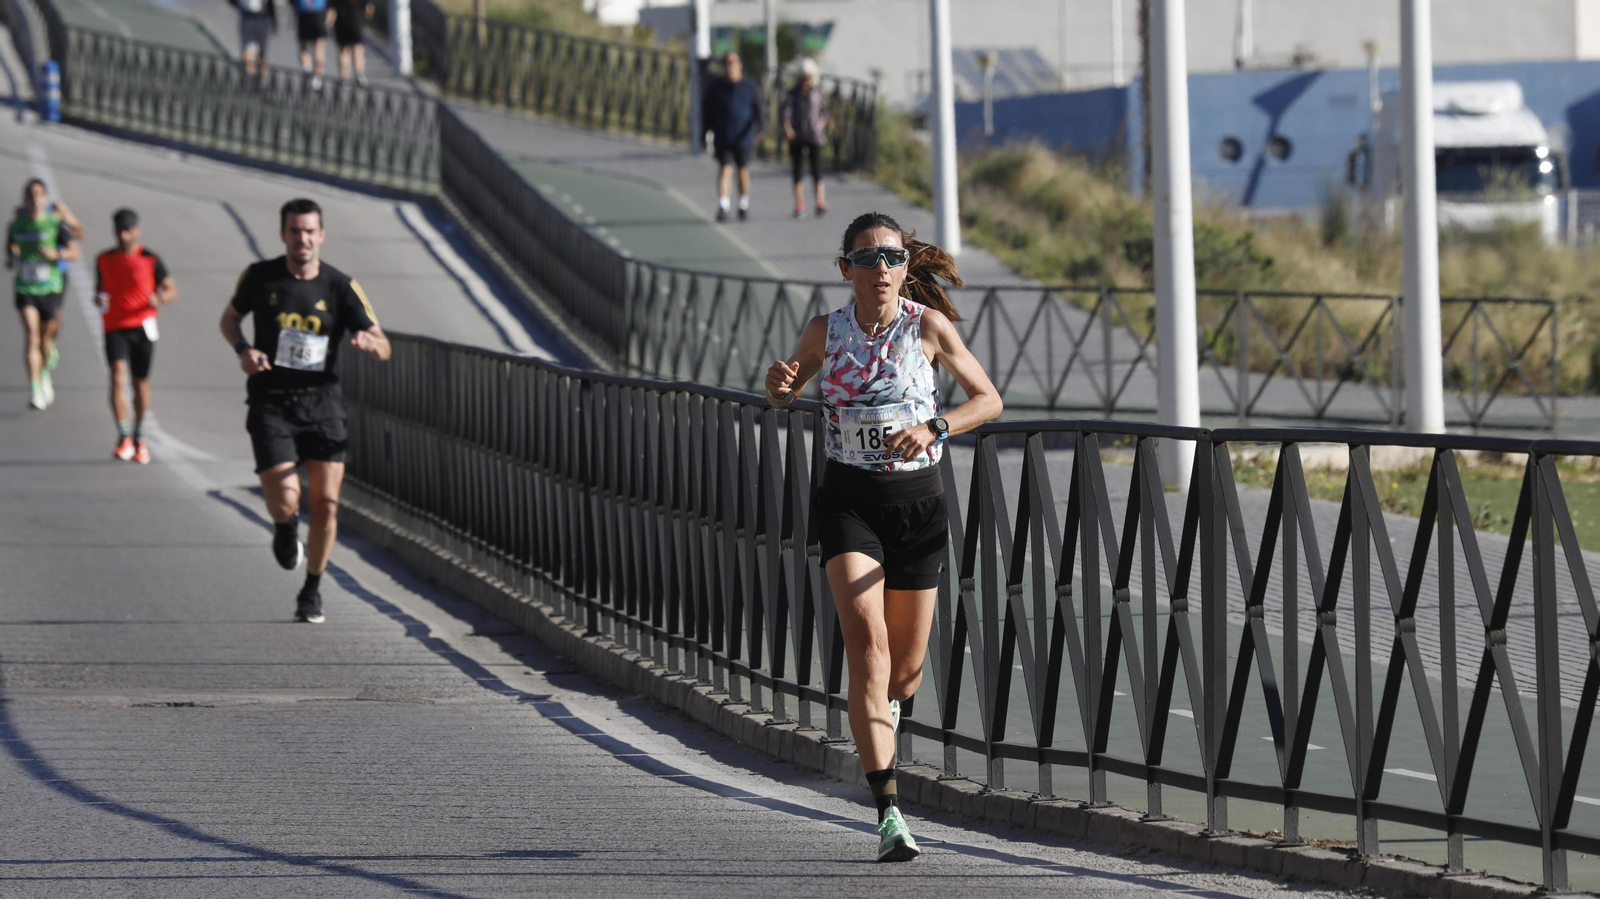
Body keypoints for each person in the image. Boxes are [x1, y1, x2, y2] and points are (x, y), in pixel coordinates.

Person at [764, 212, 1002, 861]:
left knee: (905, 668)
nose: (880, 271)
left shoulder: (928, 327)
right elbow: (791, 388)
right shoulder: (826, 330)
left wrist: (936, 427)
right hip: (849, 502)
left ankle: (887, 713)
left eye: (891, 258)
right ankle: (889, 811)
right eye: (866, 260)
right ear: (846, 269)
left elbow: (988, 399)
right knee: (866, 647)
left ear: (904, 267)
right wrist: (780, 388)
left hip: (917, 504)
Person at [219, 198, 391, 623]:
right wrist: (244, 350)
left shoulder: (340, 286)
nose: (303, 239)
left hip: (323, 403)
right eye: (295, 231)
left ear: (322, 234)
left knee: (328, 504)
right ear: (283, 234)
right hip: (271, 401)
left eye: (310, 231)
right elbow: (229, 320)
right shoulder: (260, 276)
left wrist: (372, 345)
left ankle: (312, 590)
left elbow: (384, 343)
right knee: (284, 496)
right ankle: (284, 527)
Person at [96, 208, 178, 464]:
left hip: (143, 327)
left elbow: (172, 289)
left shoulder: (151, 259)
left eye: (128, 230)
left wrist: (160, 297)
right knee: (117, 377)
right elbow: (99, 290)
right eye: (119, 230)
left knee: (140, 383)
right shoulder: (104, 259)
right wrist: (99, 299)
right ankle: (123, 437)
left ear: (136, 231)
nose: (123, 235)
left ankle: (139, 434)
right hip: (115, 326)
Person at [7, 179, 82, 411]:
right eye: (30, 195)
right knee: (32, 337)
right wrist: (12, 255)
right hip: (26, 288)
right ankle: (35, 387)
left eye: (39, 195)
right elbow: (10, 250)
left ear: (45, 199)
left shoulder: (54, 221)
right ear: (25, 199)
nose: (35, 200)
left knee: (46, 338)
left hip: (51, 286)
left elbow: (75, 247)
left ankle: (45, 365)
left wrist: (55, 254)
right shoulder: (16, 225)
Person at [704, 51, 763, 222]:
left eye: (733, 62)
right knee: (725, 169)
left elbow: (758, 109)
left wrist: (760, 128)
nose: (730, 66)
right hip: (723, 135)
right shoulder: (717, 88)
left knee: (742, 171)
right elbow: (707, 111)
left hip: (743, 137)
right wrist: (705, 132)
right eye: (727, 63)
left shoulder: (749, 87)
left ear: (740, 65)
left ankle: (743, 204)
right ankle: (723, 206)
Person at [782, 58, 830, 218]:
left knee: (817, 169)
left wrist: (820, 125)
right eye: (803, 77)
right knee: (797, 170)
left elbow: (825, 111)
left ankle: (820, 202)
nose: (806, 80)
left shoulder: (818, 92)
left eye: (808, 77)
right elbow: (786, 113)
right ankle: (799, 204)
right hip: (797, 136)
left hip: (814, 135)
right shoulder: (792, 93)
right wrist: (788, 129)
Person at [329, 0, 372, 87]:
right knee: (358, 51)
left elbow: (332, 11)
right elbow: (369, 10)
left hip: (341, 25)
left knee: (343, 52)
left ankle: (344, 79)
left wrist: (329, 25)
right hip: (356, 24)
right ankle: (360, 74)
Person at [231, 0, 277, 78]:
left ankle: (255, 75)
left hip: (256, 19)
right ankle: (251, 75)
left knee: (259, 52)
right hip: (255, 19)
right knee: (252, 52)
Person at [292, 0, 330, 90]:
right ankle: (317, 75)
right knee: (318, 47)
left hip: (305, 15)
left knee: (305, 46)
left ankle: (307, 67)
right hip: (318, 16)